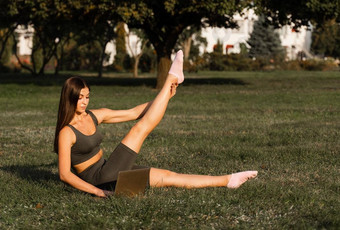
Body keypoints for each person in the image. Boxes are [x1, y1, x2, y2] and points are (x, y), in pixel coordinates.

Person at [54, 50, 258, 198]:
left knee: (168, 176)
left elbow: (134, 112)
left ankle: (228, 180)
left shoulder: (93, 115)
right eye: (80, 98)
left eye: (87, 96)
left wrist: (165, 97)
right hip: (100, 179)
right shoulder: (66, 133)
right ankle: (171, 77)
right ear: (70, 98)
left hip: (110, 170)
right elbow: (64, 174)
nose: (85, 101)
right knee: (139, 129)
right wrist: (97, 191)